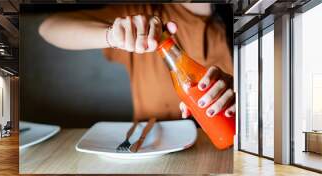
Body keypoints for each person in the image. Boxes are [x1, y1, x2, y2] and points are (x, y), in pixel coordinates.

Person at [38, 3, 234, 122]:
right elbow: (49, 27)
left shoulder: (247, 20)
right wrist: (113, 36)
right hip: (151, 146)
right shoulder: (146, 13)